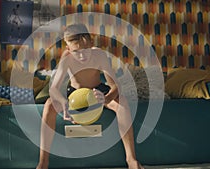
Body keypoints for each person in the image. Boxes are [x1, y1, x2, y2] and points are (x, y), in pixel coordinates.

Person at [36, 24, 144, 169]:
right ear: (68, 49)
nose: (82, 55)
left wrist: (106, 99)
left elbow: (115, 86)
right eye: (76, 51)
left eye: (86, 49)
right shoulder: (66, 58)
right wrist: (63, 102)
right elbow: (54, 88)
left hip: (97, 91)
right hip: (75, 93)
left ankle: (131, 159)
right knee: (49, 104)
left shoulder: (99, 55)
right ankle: (43, 162)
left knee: (122, 102)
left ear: (91, 43)